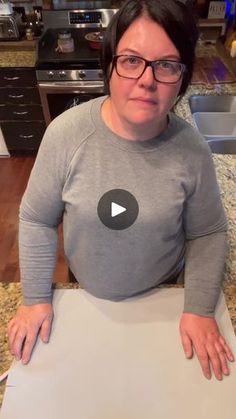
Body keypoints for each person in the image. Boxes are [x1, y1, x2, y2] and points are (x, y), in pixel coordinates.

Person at [8, 0, 234, 381]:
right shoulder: (65, 135)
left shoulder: (192, 150)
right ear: (109, 65)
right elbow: (35, 218)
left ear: (181, 77)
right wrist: (34, 300)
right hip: (87, 291)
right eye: (131, 60)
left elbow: (208, 232)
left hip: (164, 295)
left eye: (166, 64)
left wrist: (197, 308)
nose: (147, 79)